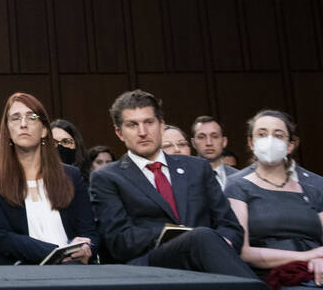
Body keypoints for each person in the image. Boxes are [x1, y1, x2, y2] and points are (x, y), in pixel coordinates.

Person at [88, 89, 254, 277]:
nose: (142, 132)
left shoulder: (198, 168)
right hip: (149, 267)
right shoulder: (107, 178)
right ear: (119, 133)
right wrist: (184, 236)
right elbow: (119, 241)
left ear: (161, 125)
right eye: (132, 125)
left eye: (149, 122)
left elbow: (230, 226)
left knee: (204, 239)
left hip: (206, 261)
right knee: (201, 236)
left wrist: (218, 245)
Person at [0, 93, 96, 264]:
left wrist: (86, 247)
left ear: (44, 130)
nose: (23, 124)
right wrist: (58, 253)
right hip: (22, 271)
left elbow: (89, 232)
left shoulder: (71, 175)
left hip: (74, 269)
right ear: (8, 132)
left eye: (32, 117)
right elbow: (1, 236)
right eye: (15, 118)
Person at [225, 109, 323, 284]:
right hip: (272, 277)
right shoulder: (237, 187)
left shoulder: (312, 190)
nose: (269, 140)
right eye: (261, 134)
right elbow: (244, 251)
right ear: (251, 143)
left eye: (278, 135)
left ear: (290, 145)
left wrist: (319, 259)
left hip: (316, 273)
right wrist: (306, 256)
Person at [192, 116, 239, 190]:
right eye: (201, 137)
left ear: (224, 141)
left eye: (215, 136)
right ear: (193, 143)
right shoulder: (185, 178)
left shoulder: (240, 177)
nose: (209, 143)